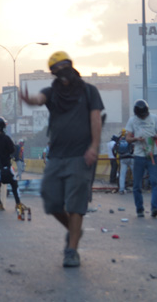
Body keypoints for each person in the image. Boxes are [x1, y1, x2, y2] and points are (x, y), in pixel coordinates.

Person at [20, 51, 103, 268]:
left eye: (62, 67)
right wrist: (29, 99)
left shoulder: (89, 91)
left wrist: (94, 147)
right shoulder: (52, 92)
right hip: (56, 156)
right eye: (55, 70)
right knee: (51, 199)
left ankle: (71, 250)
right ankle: (74, 230)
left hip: (80, 155)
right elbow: (39, 99)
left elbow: (96, 119)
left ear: (70, 66)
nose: (60, 72)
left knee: (76, 205)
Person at [126, 100, 157, 218]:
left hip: (152, 154)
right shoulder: (132, 120)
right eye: (141, 116)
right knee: (137, 184)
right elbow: (127, 138)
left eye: (144, 115)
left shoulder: (155, 118)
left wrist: (156, 137)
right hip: (139, 155)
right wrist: (135, 139)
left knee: (155, 182)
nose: (143, 117)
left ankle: (155, 208)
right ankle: (139, 209)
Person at [0, 118, 21, 212]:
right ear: (2, 127)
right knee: (13, 183)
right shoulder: (6, 138)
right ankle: (18, 203)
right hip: (6, 165)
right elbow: (12, 150)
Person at [116, 129, 134, 194]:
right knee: (135, 173)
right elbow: (133, 148)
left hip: (122, 158)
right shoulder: (129, 139)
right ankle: (137, 188)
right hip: (130, 158)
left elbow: (115, 149)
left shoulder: (119, 140)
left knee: (122, 174)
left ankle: (121, 189)